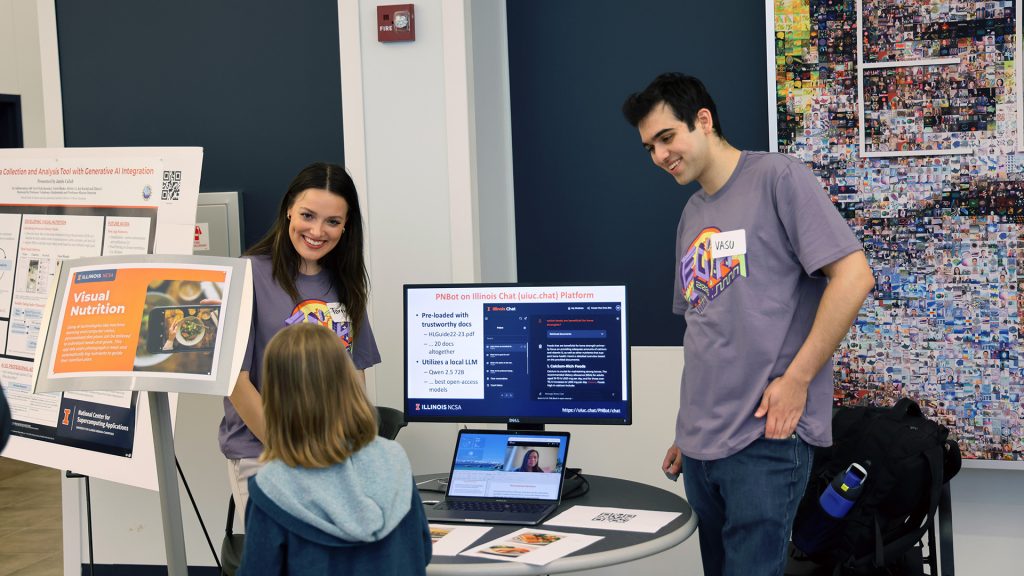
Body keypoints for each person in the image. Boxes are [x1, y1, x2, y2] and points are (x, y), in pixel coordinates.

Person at [621, 73, 874, 576]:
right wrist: (686, 428)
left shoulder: (779, 177)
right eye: (649, 147)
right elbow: (705, 328)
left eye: (667, 137)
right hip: (701, 447)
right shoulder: (692, 212)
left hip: (765, 442)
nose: (659, 156)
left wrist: (797, 380)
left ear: (704, 120)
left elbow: (854, 277)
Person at [220, 162, 382, 515]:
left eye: (332, 222)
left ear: (346, 226)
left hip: (336, 459)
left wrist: (355, 453)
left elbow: (354, 377)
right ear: (289, 209)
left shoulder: (346, 283)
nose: (317, 231)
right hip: (266, 457)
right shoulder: (248, 274)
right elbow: (236, 382)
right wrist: (297, 456)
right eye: (308, 215)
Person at [237, 323, 430, 575]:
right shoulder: (393, 460)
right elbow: (421, 551)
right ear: (348, 382)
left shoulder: (273, 487)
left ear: (276, 399)